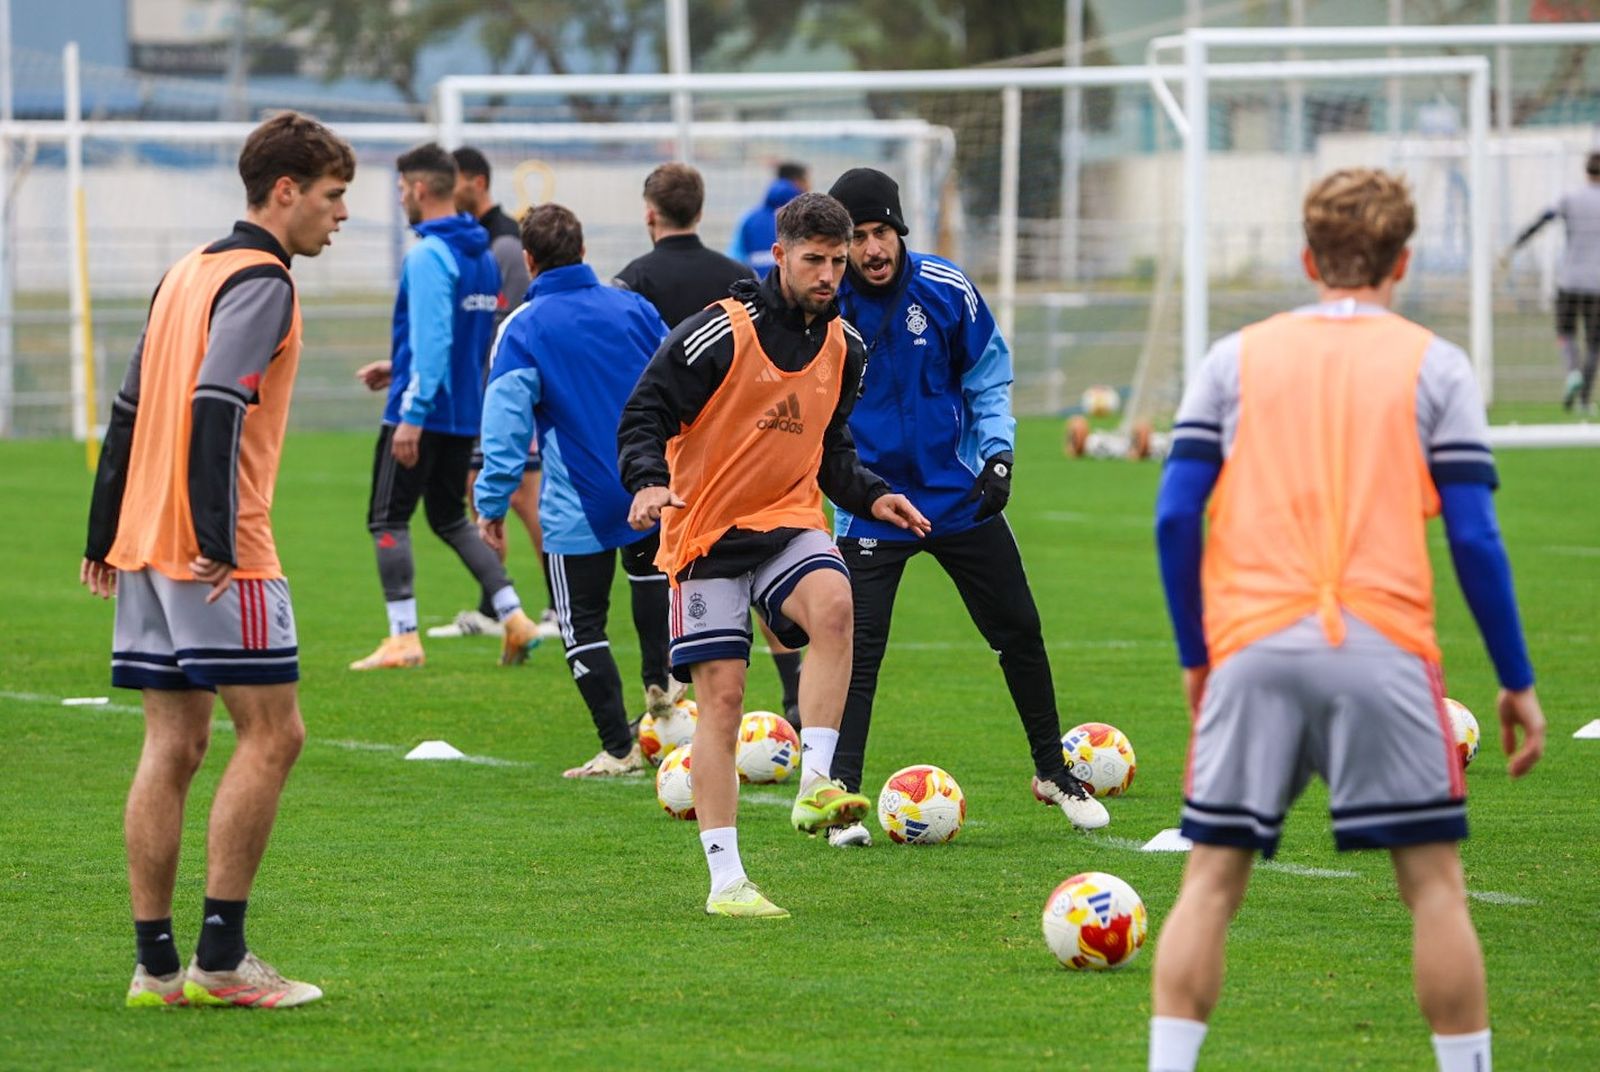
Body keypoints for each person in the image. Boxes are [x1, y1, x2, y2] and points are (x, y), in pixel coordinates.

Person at [1148, 168, 1546, 1072]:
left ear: (1307, 258)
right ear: (1403, 262)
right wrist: (1517, 681)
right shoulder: (1436, 363)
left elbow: (1175, 516)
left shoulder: (1233, 357)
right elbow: (1476, 540)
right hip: (1385, 648)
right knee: (1436, 891)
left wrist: (1195, 653)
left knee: (1210, 883)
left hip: (1252, 646)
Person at [80, 111, 354, 1008]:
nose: (339, 214)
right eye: (331, 195)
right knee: (276, 735)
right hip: (215, 547)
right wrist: (214, 535)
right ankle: (222, 961)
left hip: (144, 544)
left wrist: (101, 533)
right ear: (286, 192)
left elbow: (125, 408)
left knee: (175, 742)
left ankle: (156, 970)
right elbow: (212, 399)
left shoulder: (184, 272)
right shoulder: (262, 278)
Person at [618, 192, 929, 918]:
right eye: (813, 260)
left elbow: (830, 448)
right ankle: (727, 882)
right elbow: (645, 410)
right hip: (705, 534)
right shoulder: (718, 333)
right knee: (722, 702)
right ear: (780, 256)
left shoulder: (847, 348)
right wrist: (648, 482)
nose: (828, 274)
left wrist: (871, 492)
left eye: (837, 261)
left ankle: (816, 782)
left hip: (788, 519)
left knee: (836, 604)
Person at [824, 167, 1108, 848]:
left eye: (881, 232)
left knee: (1019, 630)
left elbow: (989, 379)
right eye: (857, 237)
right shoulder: (824, 303)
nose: (872, 248)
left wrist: (998, 456)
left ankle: (1054, 772)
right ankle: (840, 799)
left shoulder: (947, 289)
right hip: (870, 505)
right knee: (857, 655)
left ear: (901, 230)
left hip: (958, 496)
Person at [475, 203, 675, 776]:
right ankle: (660, 690)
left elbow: (507, 427)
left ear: (530, 260)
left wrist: (491, 504)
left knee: (581, 622)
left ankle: (618, 749)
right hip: (649, 488)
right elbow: (677, 386)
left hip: (576, 502)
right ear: (583, 251)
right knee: (649, 583)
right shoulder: (634, 307)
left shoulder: (523, 327)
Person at [613, 161, 805, 725]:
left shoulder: (630, 281)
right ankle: (793, 691)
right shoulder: (732, 276)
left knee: (667, 569)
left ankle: (664, 696)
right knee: (766, 559)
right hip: (750, 450)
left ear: (650, 214)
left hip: (680, 459)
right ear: (699, 211)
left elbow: (639, 379)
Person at [350, 143, 540, 670]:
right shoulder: (479, 253)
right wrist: (401, 365)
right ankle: (515, 617)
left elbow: (435, 338)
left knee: (386, 518)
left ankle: (403, 636)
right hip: (463, 410)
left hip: (423, 412)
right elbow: (464, 335)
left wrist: (410, 412)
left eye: (399, 189)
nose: (399, 200)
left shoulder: (428, 254)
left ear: (418, 188)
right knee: (451, 519)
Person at [429, 145, 552, 641]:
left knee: (525, 497)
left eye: (451, 181)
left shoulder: (505, 244)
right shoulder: (475, 242)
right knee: (482, 493)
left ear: (476, 182)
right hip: (477, 394)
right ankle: (494, 607)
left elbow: (524, 321)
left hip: (508, 394)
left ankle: (559, 608)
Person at [1505, 151, 1600, 413]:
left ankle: (1572, 372)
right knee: (1594, 344)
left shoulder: (1570, 198)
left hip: (1569, 281)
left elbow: (1543, 219)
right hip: (1597, 284)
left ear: (1586, 171)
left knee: (1565, 332)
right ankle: (1584, 401)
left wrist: (1515, 245)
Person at [726, 161, 808, 279]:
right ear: (798, 182)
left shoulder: (749, 218)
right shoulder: (805, 217)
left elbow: (735, 257)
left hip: (757, 290)